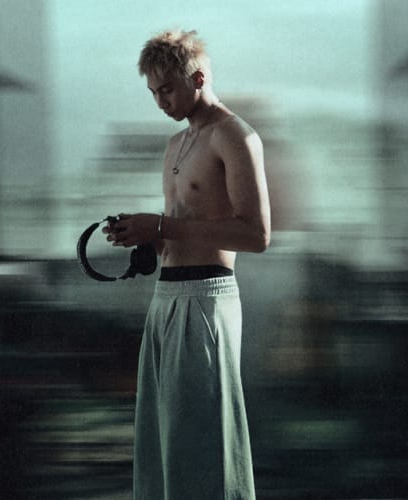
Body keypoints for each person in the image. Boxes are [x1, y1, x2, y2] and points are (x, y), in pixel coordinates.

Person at [103, 29, 270, 500]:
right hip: (166, 297)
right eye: (153, 92)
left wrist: (161, 225)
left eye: (168, 89)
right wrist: (144, 235)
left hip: (207, 298)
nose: (161, 101)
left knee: (204, 442)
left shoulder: (235, 136)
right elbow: (181, 226)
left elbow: (257, 235)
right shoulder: (176, 144)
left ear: (198, 78)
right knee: (163, 443)